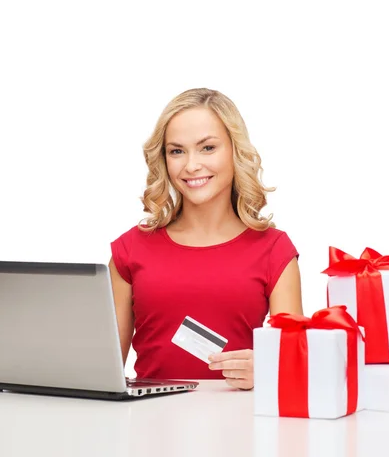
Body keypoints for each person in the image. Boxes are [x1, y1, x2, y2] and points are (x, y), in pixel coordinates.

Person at [109, 88, 303, 390]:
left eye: (208, 148)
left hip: (242, 425)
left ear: (234, 151)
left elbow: (295, 367)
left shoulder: (274, 250)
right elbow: (104, 372)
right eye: (177, 151)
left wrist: (269, 368)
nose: (191, 165)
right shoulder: (129, 250)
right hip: (149, 424)